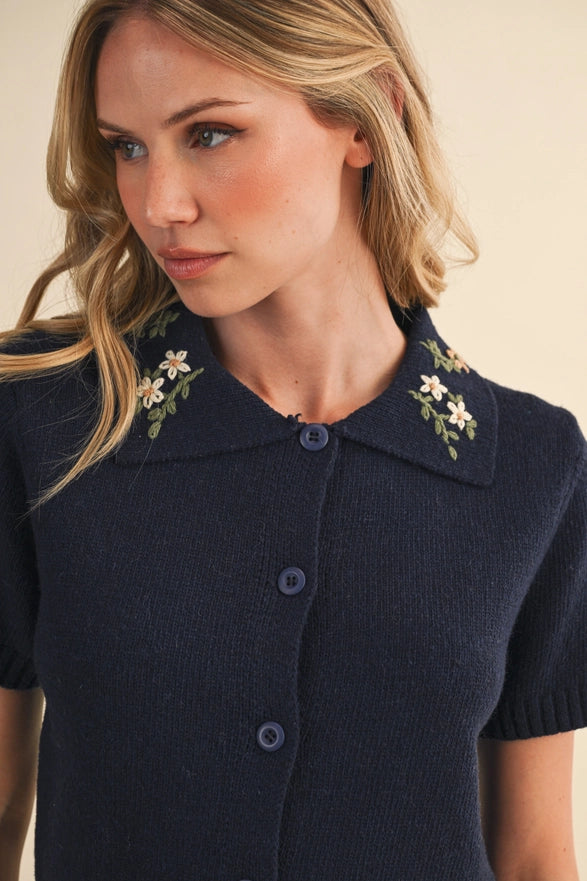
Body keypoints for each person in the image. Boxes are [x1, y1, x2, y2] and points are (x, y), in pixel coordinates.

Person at [0, 0, 585, 879]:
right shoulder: (45, 419)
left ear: (365, 117)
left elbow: (534, 854)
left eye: (208, 135)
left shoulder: (530, 464)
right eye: (126, 145)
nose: (158, 203)